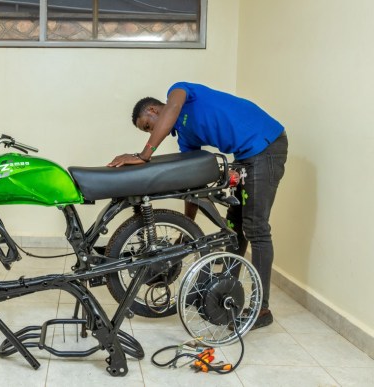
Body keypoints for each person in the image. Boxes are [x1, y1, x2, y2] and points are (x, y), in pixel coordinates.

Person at [108, 82, 288, 330]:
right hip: (245, 156)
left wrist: (144, 155)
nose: (151, 131)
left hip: (266, 147)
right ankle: (225, 290)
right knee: (234, 228)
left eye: (148, 126)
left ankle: (261, 308)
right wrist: (186, 227)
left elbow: (172, 110)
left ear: (153, 109)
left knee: (256, 228)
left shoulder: (179, 92)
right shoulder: (186, 137)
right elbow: (192, 184)